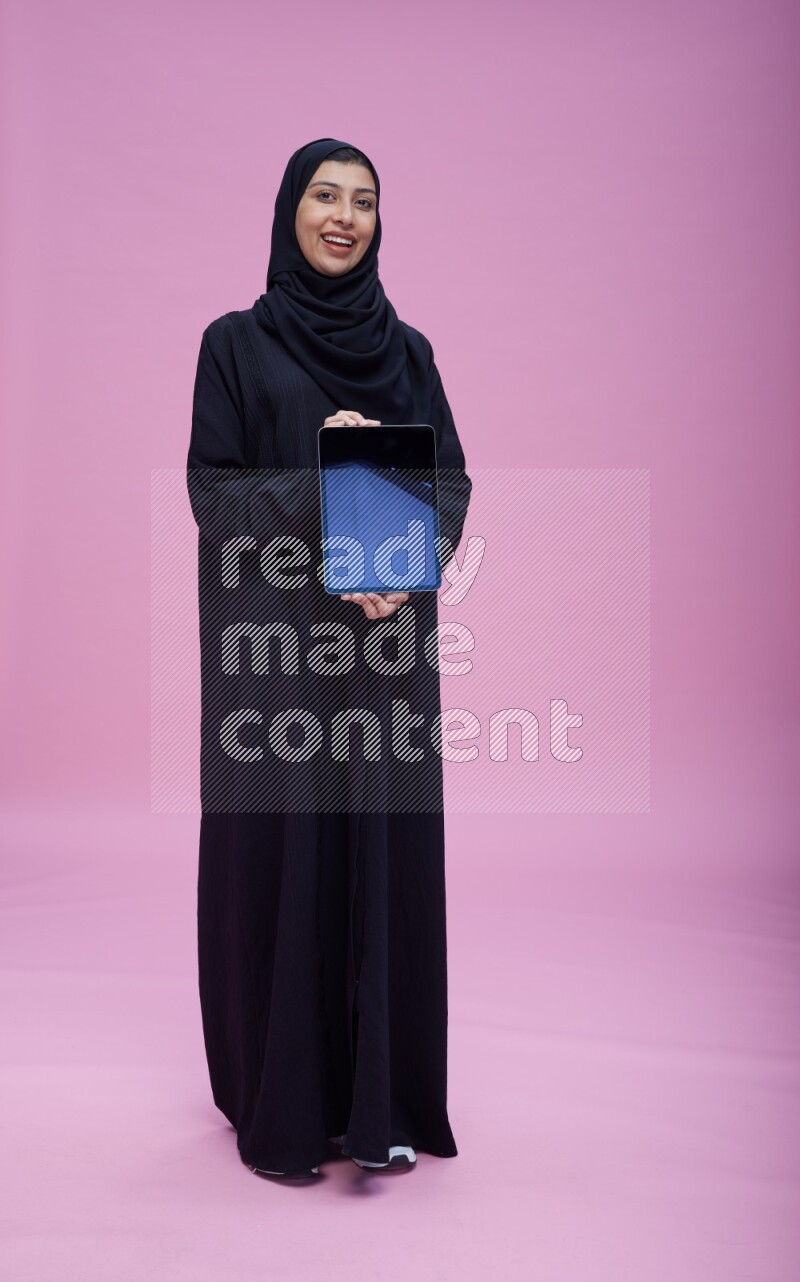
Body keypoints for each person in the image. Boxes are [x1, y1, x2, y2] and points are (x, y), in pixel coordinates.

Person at [187, 137, 472, 1180]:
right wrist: (319, 474)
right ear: (288, 210)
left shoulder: (410, 354)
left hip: (386, 651)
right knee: (286, 855)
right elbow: (211, 497)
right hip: (276, 658)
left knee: (379, 859)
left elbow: (448, 484)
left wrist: (412, 561)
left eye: (363, 200)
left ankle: (379, 1105)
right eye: (324, 195)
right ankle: (284, 1106)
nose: (343, 216)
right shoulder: (234, 345)